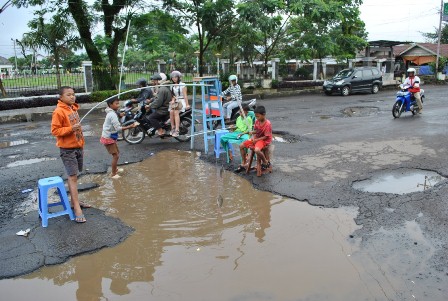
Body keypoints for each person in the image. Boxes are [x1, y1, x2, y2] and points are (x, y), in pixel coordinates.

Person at [51, 86, 90, 223]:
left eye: (73, 94)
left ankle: (75, 202)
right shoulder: (59, 111)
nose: (72, 97)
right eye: (68, 95)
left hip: (78, 147)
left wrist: (81, 144)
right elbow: (55, 131)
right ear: (61, 97)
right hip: (68, 150)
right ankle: (76, 208)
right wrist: (70, 129)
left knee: (75, 176)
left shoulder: (73, 108)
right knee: (72, 177)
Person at [100, 98, 137, 179]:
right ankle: (113, 174)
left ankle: (115, 170)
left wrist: (120, 115)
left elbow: (116, 117)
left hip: (110, 136)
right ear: (110, 105)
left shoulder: (112, 112)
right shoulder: (112, 114)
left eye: (118, 103)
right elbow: (118, 128)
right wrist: (130, 126)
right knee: (115, 156)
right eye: (116, 104)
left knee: (116, 154)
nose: (118, 105)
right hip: (108, 137)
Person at [235, 105, 272, 173]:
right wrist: (252, 132)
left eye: (258, 116)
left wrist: (256, 140)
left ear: (264, 114)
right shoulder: (257, 121)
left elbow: (266, 136)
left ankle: (265, 162)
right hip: (257, 138)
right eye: (256, 116)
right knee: (241, 146)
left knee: (257, 150)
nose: (257, 118)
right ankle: (244, 163)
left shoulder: (267, 124)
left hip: (264, 140)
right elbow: (256, 130)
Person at [169, 71, 190, 137]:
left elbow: (185, 95)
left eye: (175, 77)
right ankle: (172, 128)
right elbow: (173, 96)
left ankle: (177, 130)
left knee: (176, 111)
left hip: (182, 101)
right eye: (173, 77)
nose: (174, 78)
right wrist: (172, 100)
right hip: (176, 101)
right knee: (171, 111)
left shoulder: (182, 85)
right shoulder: (172, 86)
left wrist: (187, 104)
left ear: (178, 77)